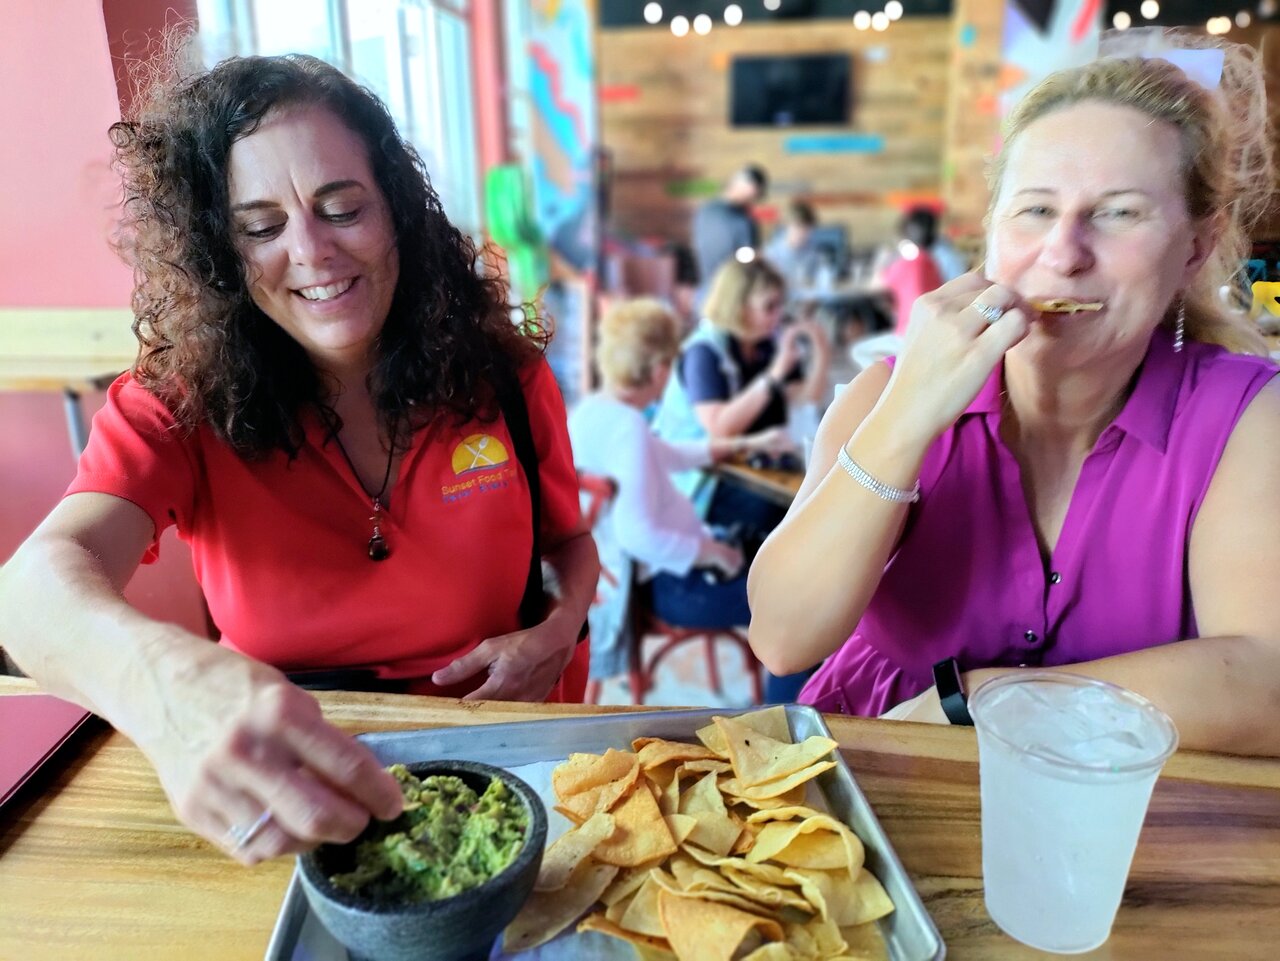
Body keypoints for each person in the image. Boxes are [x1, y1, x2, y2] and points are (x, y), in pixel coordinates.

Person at [0, 51, 599, 863]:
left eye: (342, 207)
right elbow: (28, 590)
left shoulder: (509, 377)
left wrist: (558, 629)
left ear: (398, 214)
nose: (312, 251)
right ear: (221, 254)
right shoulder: (177, 406)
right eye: (261, 227)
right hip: (289, 807)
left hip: (509, 767)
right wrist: (158, 682)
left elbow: (568, 544)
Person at [747, 44, 1280, 756]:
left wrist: (987, 700)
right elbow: (782, 637)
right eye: (1035, 209)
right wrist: (908, 412)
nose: (1064, 253)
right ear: (992, 233)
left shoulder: (1242, 416)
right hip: (881, 777)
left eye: (1118, 213)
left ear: (1194, 246)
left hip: (1118, 815)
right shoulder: (887, 392)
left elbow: (1266, 681)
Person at [569, 299, 786, 684]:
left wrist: (746, 443)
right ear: (659, 370)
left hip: (633, 582)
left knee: (772, 557)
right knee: (796, 608)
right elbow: (639, 535)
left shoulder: (592, 413)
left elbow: (667, 454)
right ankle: (787, 717)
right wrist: (715, 554)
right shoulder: (629, 430)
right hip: (670, 586)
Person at [655, 259, 830, 702]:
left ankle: (800, 589)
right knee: (799, 533)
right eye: (768, 306)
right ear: (739, 305)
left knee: (807, 524)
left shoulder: (763, 346)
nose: (777, 316)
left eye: (779, 306)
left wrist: (819, 353)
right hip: (698, 494)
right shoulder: (705, 352)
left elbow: (803, 400)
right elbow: (719, 427)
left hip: (738, 481)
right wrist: (773, 378)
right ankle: (791, 706)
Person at [691, 165, 768, 307]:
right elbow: (749, 258)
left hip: (710, 293)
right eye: (752, 194)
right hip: (726, 294)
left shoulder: (706, 210)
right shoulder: (741, 220)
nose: (752, 200)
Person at [875, 207, 946, 336]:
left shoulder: (904, 265)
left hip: (907, 333)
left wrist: (882, 260)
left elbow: (879, 282)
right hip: (934, 329)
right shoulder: (931, 263)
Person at [764, 200, 821, 292]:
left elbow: (817, 283)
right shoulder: (771, 253)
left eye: (807, 229)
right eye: (798, 227)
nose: (802, 233)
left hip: (806, 301)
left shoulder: (812, 252)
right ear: (787, 226)